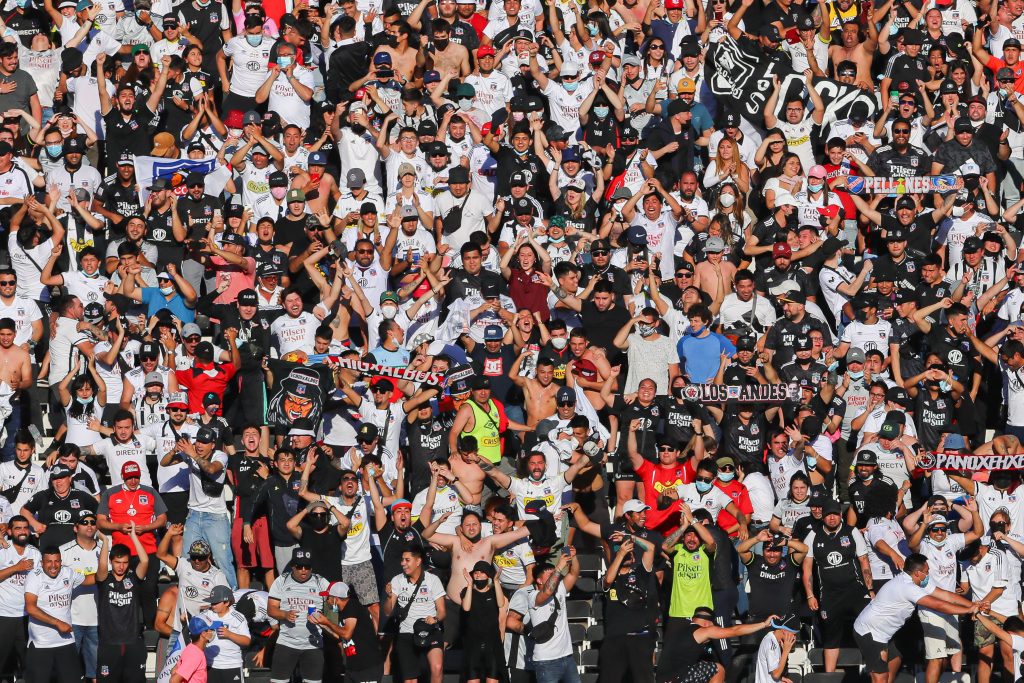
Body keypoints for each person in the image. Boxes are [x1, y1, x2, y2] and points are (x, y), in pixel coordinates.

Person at [853, 554, 982, 683]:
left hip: (883, 632)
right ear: (917, 573)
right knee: (880, 677)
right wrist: (967, 610)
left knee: (895, 659)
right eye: (926, 572)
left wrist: (973, 605)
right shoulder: (908, 587)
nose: (928, 574)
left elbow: (945, 595)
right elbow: (939, 605)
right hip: (870, 631)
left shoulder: (916, 580)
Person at [95, 523, 150, 683]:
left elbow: (145, 560)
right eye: (118, 562)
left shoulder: (133, 577)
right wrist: (105, 541)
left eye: (125, 562)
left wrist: (133, 536)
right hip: (109, 643)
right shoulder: (105, 579)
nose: (121, 566)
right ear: (112, 561)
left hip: (133, 641)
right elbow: (102, 565)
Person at [266, 548, 330, 683]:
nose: (304, 570)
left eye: (307, 567)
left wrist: (324, 620)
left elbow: (333, 609)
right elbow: (271, 609)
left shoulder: (321, 582)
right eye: (299, 566)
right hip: (286, 643)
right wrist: (284, 614)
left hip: (313, 645)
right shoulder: (281, 581)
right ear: (292, 566)